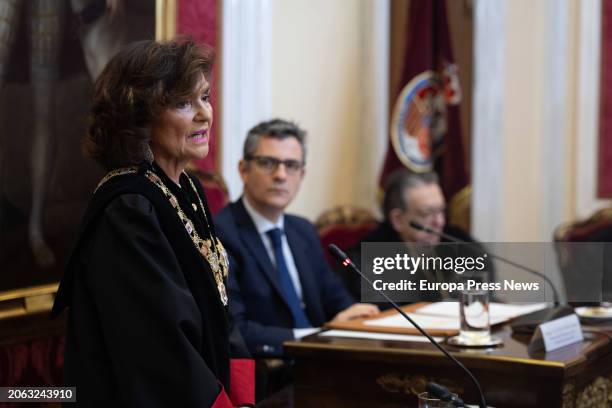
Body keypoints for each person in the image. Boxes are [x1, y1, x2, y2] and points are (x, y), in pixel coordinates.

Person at [52, 39, 254, 407]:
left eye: (205, 97)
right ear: (139, 118)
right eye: (182, 103)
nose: (205, 114)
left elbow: (221, 308)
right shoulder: (128, 207)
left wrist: (243, 399)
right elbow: (162, 348)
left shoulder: (188, 188)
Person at [214, 119, 379, 358]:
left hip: (320, 363)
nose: (281, 175)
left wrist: (358, 314)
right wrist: (317, 337)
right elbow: (235, 330)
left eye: (291, 165)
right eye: (268, 163)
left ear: (302, 174)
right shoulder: (221, 233)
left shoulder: (302, 230)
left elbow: (334, 296)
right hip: (269, 375)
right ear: (244, 170)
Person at [344, 169, 482, 301]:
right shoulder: (367, 259)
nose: (439, 222)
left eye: (441, 211)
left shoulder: (455, 240)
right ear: (398, 219)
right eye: (427, 213)